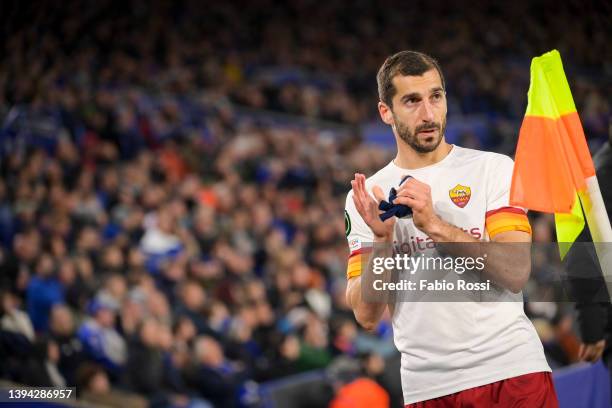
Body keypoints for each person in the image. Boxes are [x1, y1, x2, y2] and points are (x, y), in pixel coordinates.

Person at [344, 51, 558, 406]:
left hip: (512, 372)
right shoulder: (368, 196)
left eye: (436, 97)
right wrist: (383, 243)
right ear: (386, 112)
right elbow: (366, 315)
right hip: (429, 389)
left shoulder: (493, 169)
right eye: (411, 101)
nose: (428, 114)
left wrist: (436, 226)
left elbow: (515, 271)